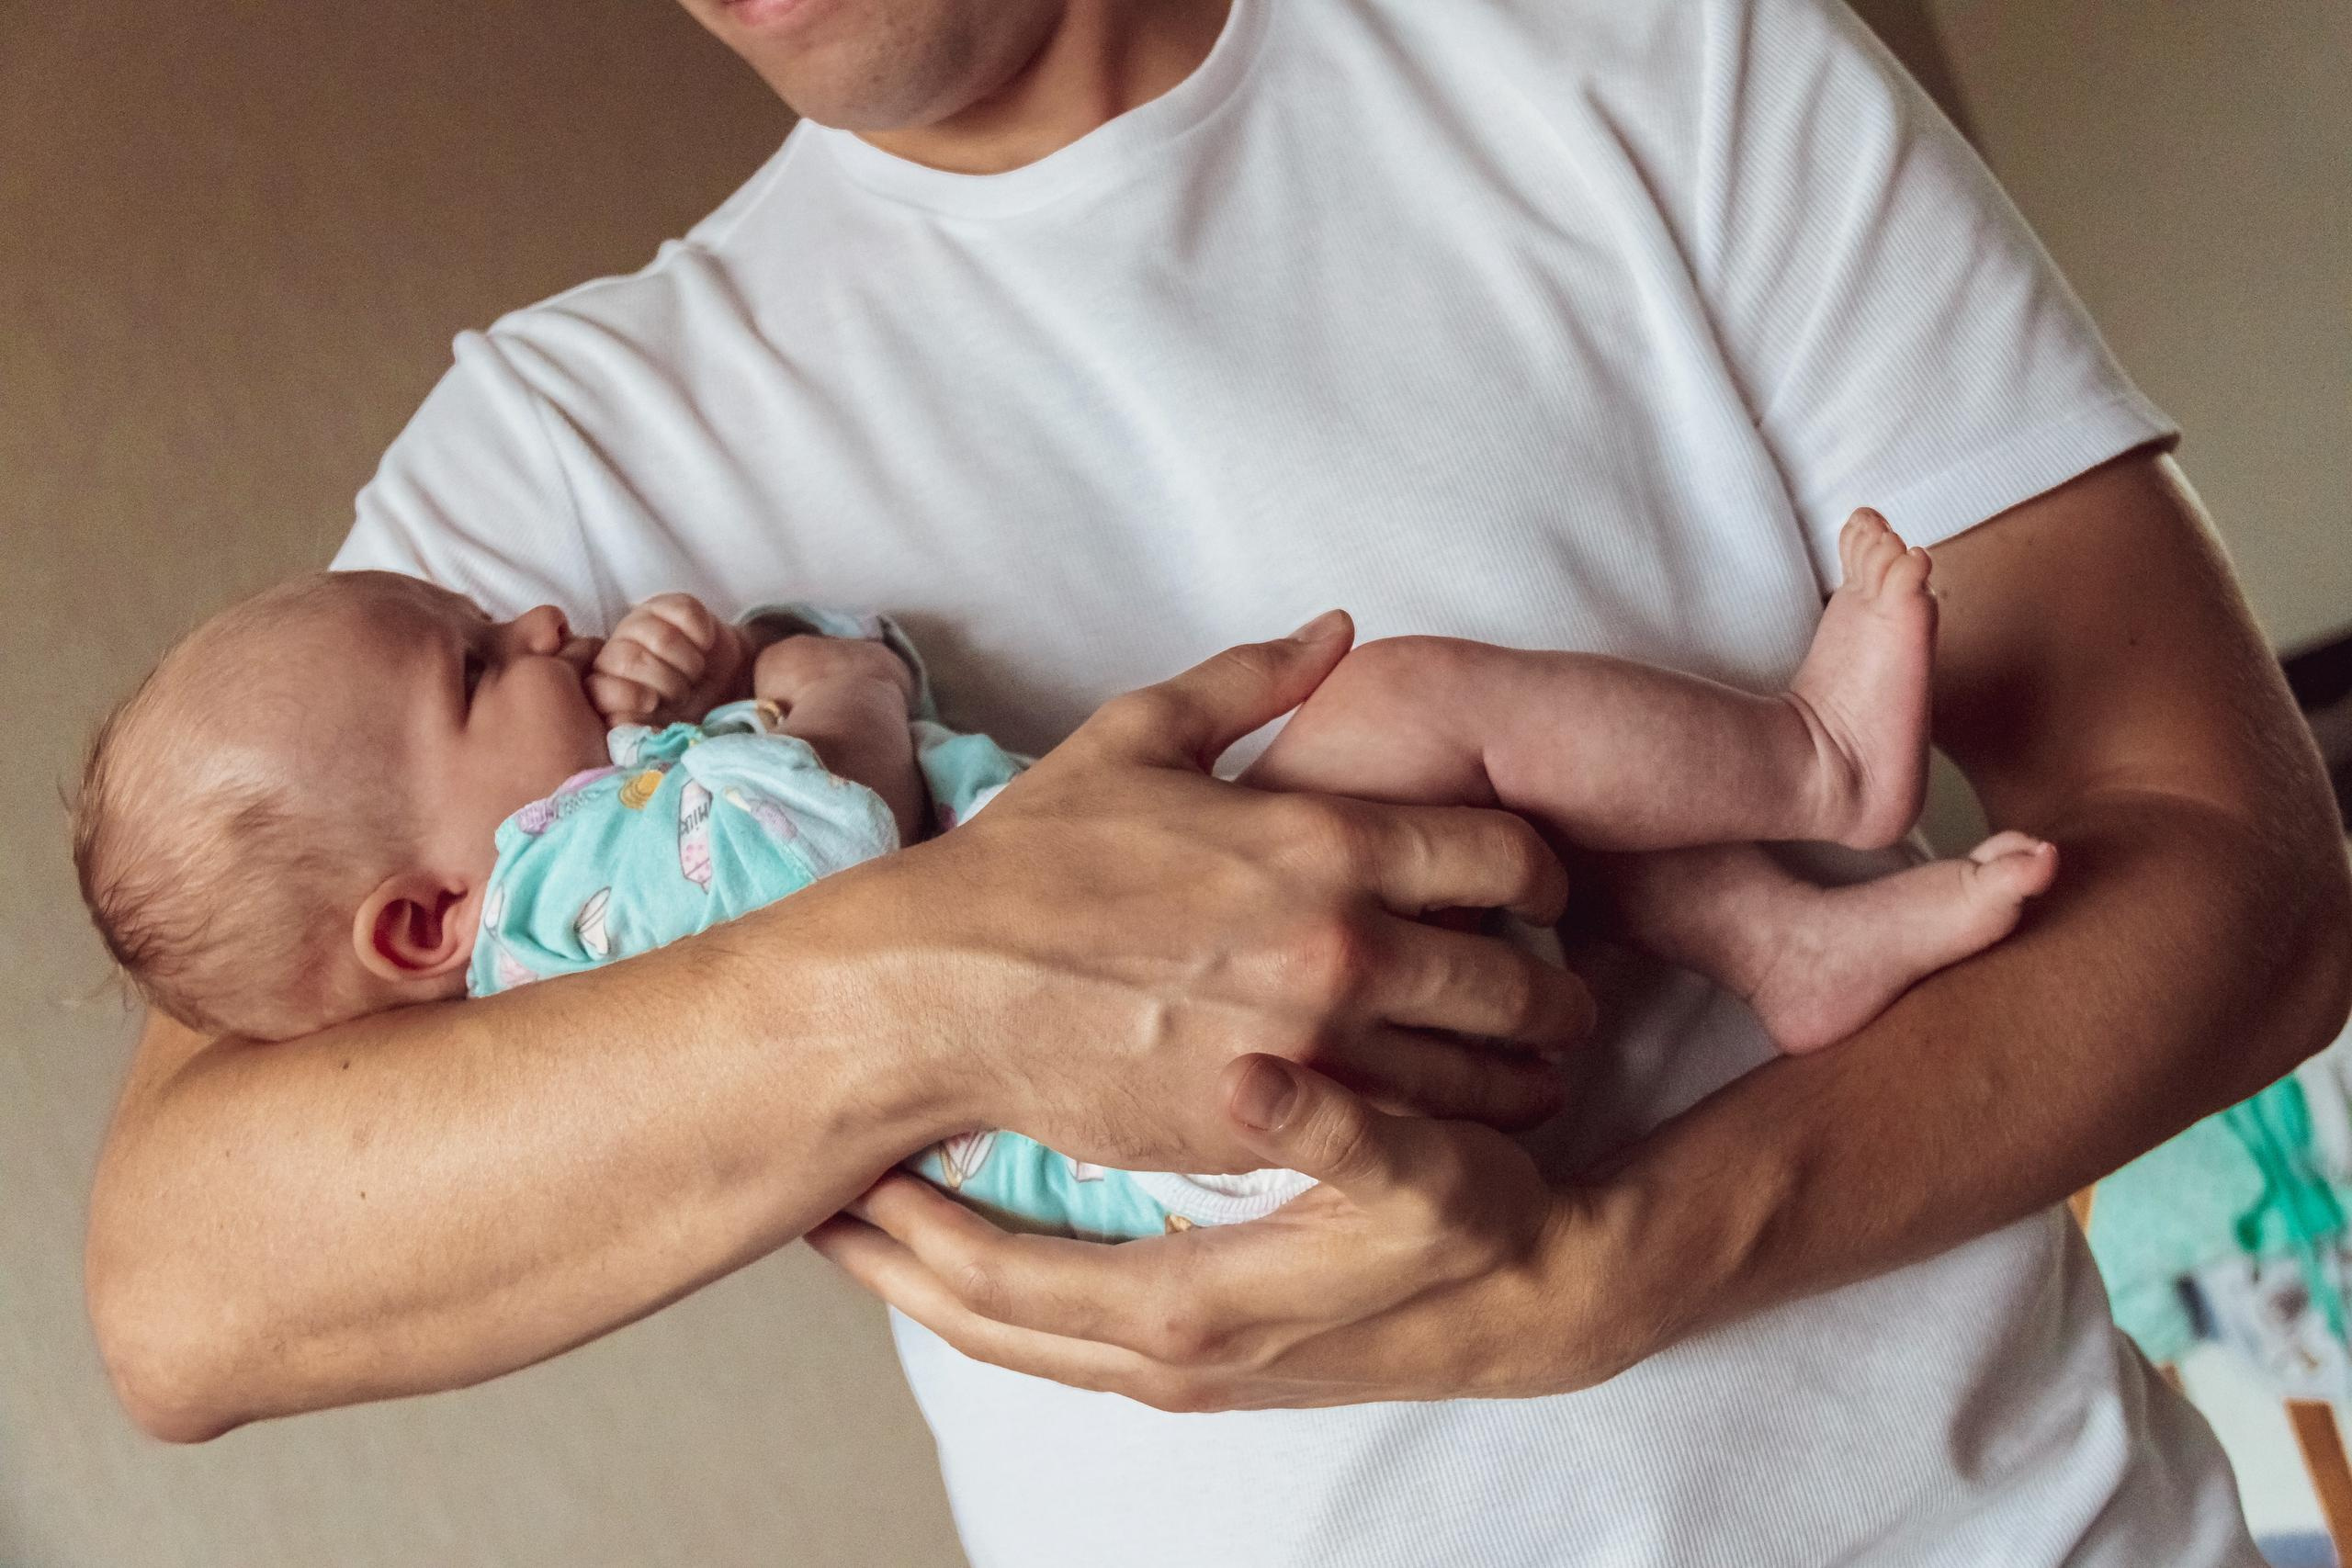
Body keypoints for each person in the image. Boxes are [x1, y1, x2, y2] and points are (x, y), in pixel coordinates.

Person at [81, 0, 2349, 1562]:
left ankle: (1794, 840)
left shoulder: (1644, 50)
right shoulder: (550, 470)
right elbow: (190, 1284)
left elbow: (2248, 880)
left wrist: (1616, 1264)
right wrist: (959, 970)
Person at [74, 535, 2052, 1234]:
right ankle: (1822, 765)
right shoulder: (566, 909)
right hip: (1177, 1108)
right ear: (422, 924)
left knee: (1505, 840)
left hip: (1205, 1082)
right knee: (1421, 706)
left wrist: (748, 670)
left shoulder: (588, 828)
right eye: (468, 661)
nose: (527, 612)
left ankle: (1784, 937)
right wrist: (807, 698)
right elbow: (844, 859)